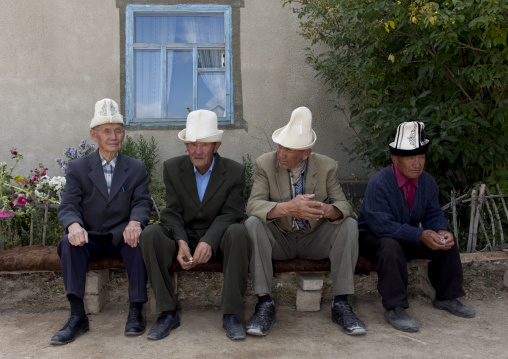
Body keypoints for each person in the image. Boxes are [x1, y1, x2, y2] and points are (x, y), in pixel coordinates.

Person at [244, 106, 366, 336]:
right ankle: (264, 304)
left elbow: (344, 206)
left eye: (288, 149)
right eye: (279, 146)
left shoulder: (327, 165)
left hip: (314, 238)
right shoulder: (265, 163)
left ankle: (341, 303)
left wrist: (326, 210)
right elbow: (253, 205)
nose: (280, 153)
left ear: (305, 153)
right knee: (252, 223)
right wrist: (287, 208)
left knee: (348, 225)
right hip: (280, 239)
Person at [139, 110, 251, 341]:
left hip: (218, 238)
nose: (197, 151)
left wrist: (209, 240)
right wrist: (181, 242)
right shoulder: (172, 168)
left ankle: (231, 314)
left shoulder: (235, 171)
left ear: (216, 146)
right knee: (150, 234)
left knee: (238, 232)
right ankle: (167, 312)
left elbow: (232, 213)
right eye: (192, 144)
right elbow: (171, 212)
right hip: (185, 235)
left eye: (204, 145)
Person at [51, 98, 152, 345]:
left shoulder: (136, 168)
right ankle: (77, 316)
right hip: (90, 236)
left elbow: (142, 202)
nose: (113, 136)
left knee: (140, 240)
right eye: (106, 131)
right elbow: (69, 205)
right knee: (67, 243)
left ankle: (136, 310)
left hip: (121, 235)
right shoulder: (78, 168)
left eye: (118, 131)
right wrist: (73, 225)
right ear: (93, 135)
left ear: (124, 134)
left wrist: (136, 222)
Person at [357, 121, 475, 332]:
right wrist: (420, 234)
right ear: (395, 158)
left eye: (421, 157)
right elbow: (381, 225)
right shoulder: (380, 183)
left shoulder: (427, 182)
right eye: (411, 158)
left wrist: (440, 230)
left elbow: (433, 213)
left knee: (445, 241)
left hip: (406, 234)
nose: (417, 164)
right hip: (372, 238)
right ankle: (395, 307)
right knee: (389, 245)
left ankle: (447, 296)